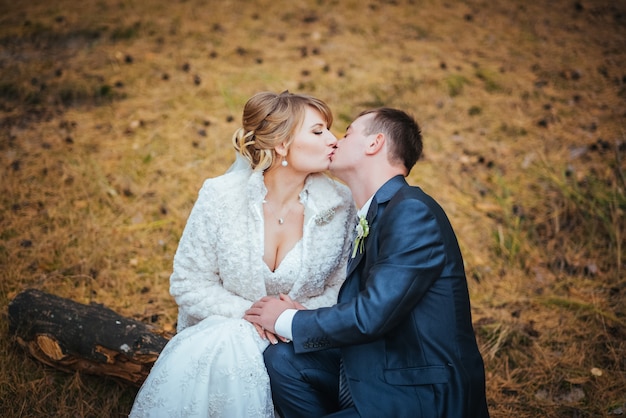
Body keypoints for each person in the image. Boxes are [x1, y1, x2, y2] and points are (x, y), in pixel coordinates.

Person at [244, 107, 490, 417]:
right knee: (284, 360)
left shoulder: (411, 210)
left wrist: (286, 320)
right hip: (377, 369)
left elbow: (374, 313)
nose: (334, 141)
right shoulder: (375, 214)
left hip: (420, 394)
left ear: (374, 144)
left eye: (347, 134)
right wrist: (308, 318)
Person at [129, 91, 357, 417]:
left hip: (300, 347)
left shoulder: (339, 203)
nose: (333, 140)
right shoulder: (220, 197)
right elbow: (189, 283)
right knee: (231, 338)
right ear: (281, 144)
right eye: (318, 131)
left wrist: (291, 320)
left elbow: (342, 289)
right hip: (225, 339)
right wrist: (254, 317)